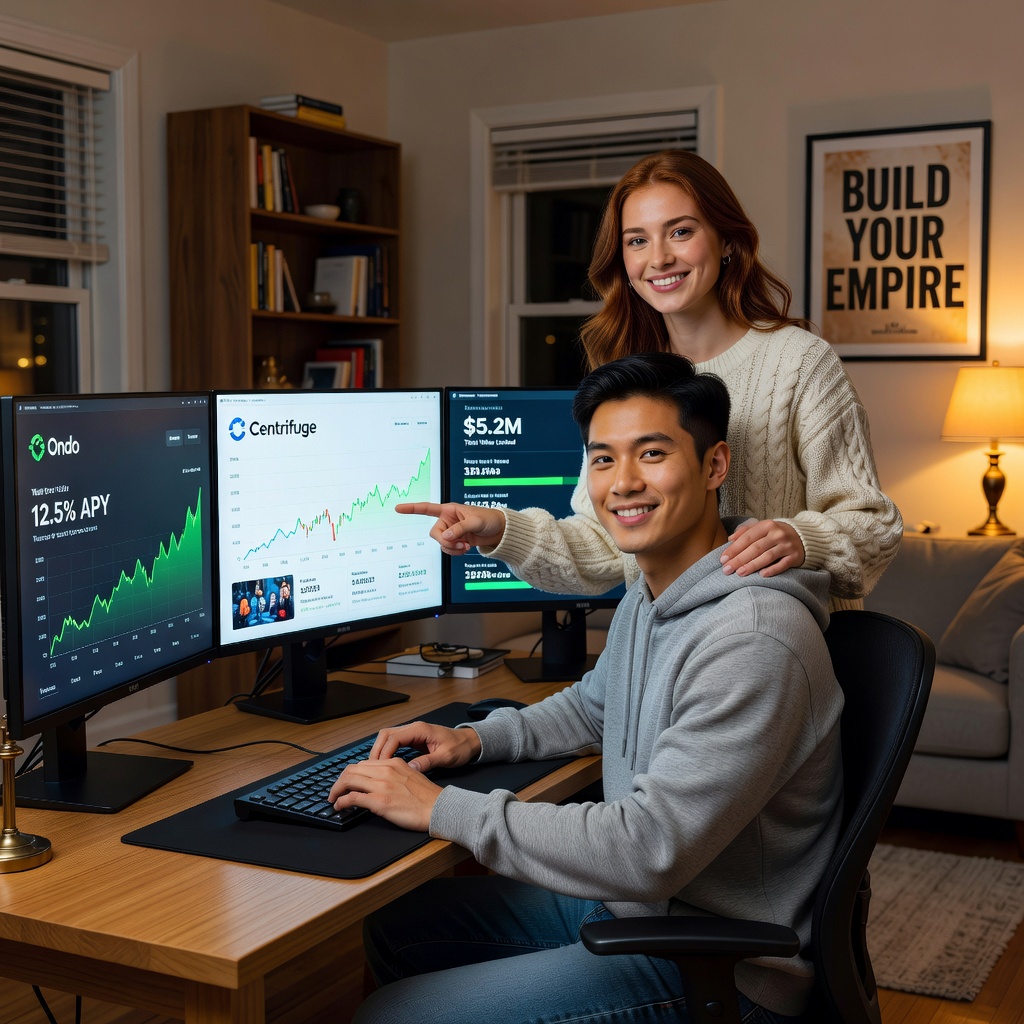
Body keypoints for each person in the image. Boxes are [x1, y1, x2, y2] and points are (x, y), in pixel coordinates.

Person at [331, 352, 844, 1024]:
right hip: (646, 908)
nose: (623, 483)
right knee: (399, 925)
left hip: (721, 965)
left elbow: (645, 850)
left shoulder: (751, 639)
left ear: (715, 465)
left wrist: (439, 807)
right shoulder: (653, 590)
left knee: (393, 1016)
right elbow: (597, 705)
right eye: (603, 459)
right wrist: (471, 740)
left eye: (651, 453)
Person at [398, 150, 900, 608]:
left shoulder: (800, 362)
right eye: (638, 240)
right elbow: (602, 544)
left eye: (680, 232)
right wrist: (499, 528)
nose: (658, 258)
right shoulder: (627, 373)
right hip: (669, 653)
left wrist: (800, 539)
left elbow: (875, 527)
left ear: (726, 239)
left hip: (782, 650)